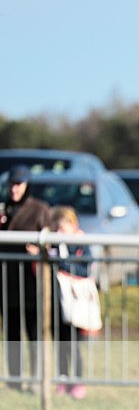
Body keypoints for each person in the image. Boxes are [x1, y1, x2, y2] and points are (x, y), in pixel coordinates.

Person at [0, 164, 52, 386]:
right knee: (11, 334)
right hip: (7, 281)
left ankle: (38, 378)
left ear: (27, 185)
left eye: (18, 185)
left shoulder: (40, 209)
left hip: (31, 283)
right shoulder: (3, 209)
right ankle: (14, 380)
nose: (14, 189)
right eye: (12, 184)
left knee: (34, 334)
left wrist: (40, 250)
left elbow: (51, 246)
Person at [50, 206, 91, 400]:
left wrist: (62, 263)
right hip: (58, 302)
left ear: (73, 224)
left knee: (75, 346)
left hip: (76, 303)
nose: (61, 230)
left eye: (65, 224)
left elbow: (85, 269)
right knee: (61, 344)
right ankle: (62, 380)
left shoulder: (82, 243)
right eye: (58, 226)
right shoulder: (55, 245)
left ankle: (77, 382)